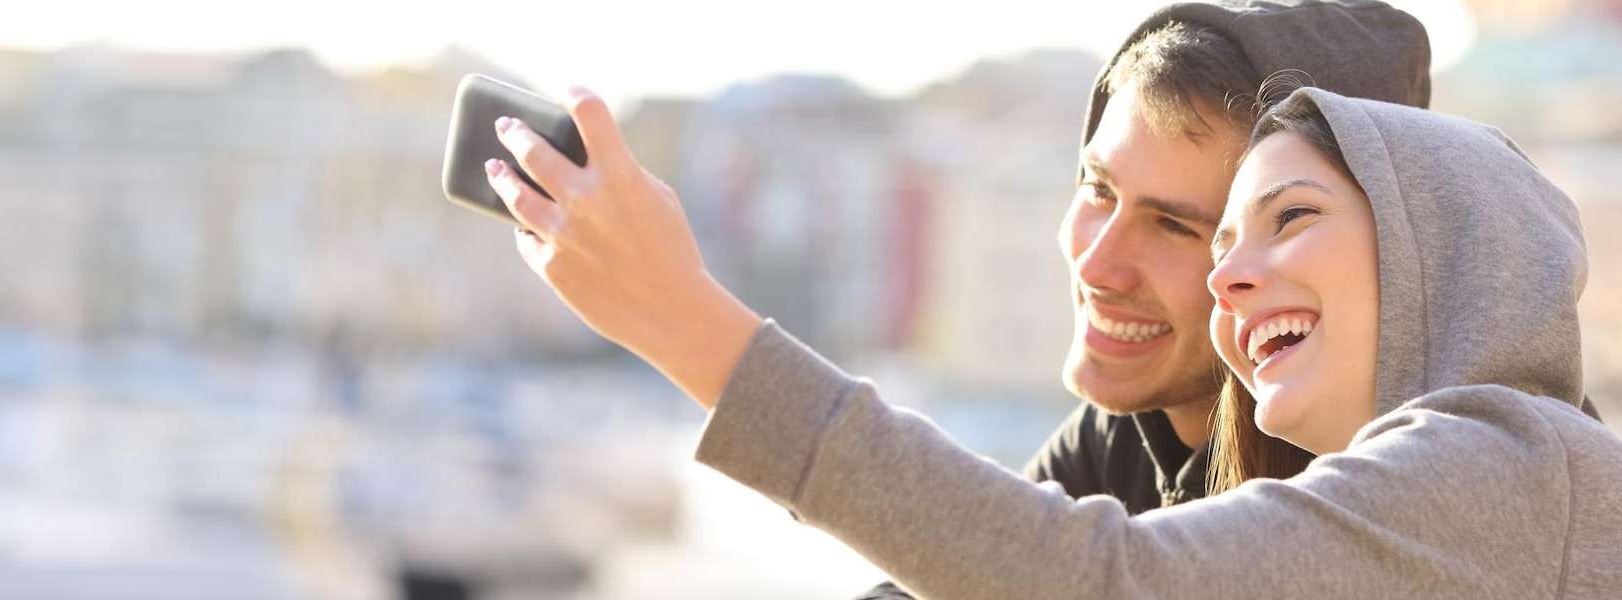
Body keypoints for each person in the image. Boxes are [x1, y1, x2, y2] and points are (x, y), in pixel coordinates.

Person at [485, 81, 1622, 595]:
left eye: (1292, 219)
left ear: (1440, 245)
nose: (1226, 278)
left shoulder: (1503, 461)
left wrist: (682, 318)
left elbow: (1091, 582)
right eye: (1224, 240)